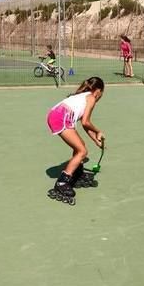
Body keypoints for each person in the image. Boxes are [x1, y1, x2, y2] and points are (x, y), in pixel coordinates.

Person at [46, 76, 105, 204]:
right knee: (82, 152)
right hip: (60, 117)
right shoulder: (91, 98)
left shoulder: (82, 96)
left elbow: (85, 125)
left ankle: (77, 172)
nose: (100, 97)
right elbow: (86, 122)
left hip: (57, 114)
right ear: (98, 91)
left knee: (80, 146)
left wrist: (96, 140)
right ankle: (62, 182)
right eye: (101, 94)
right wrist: (98, 131)